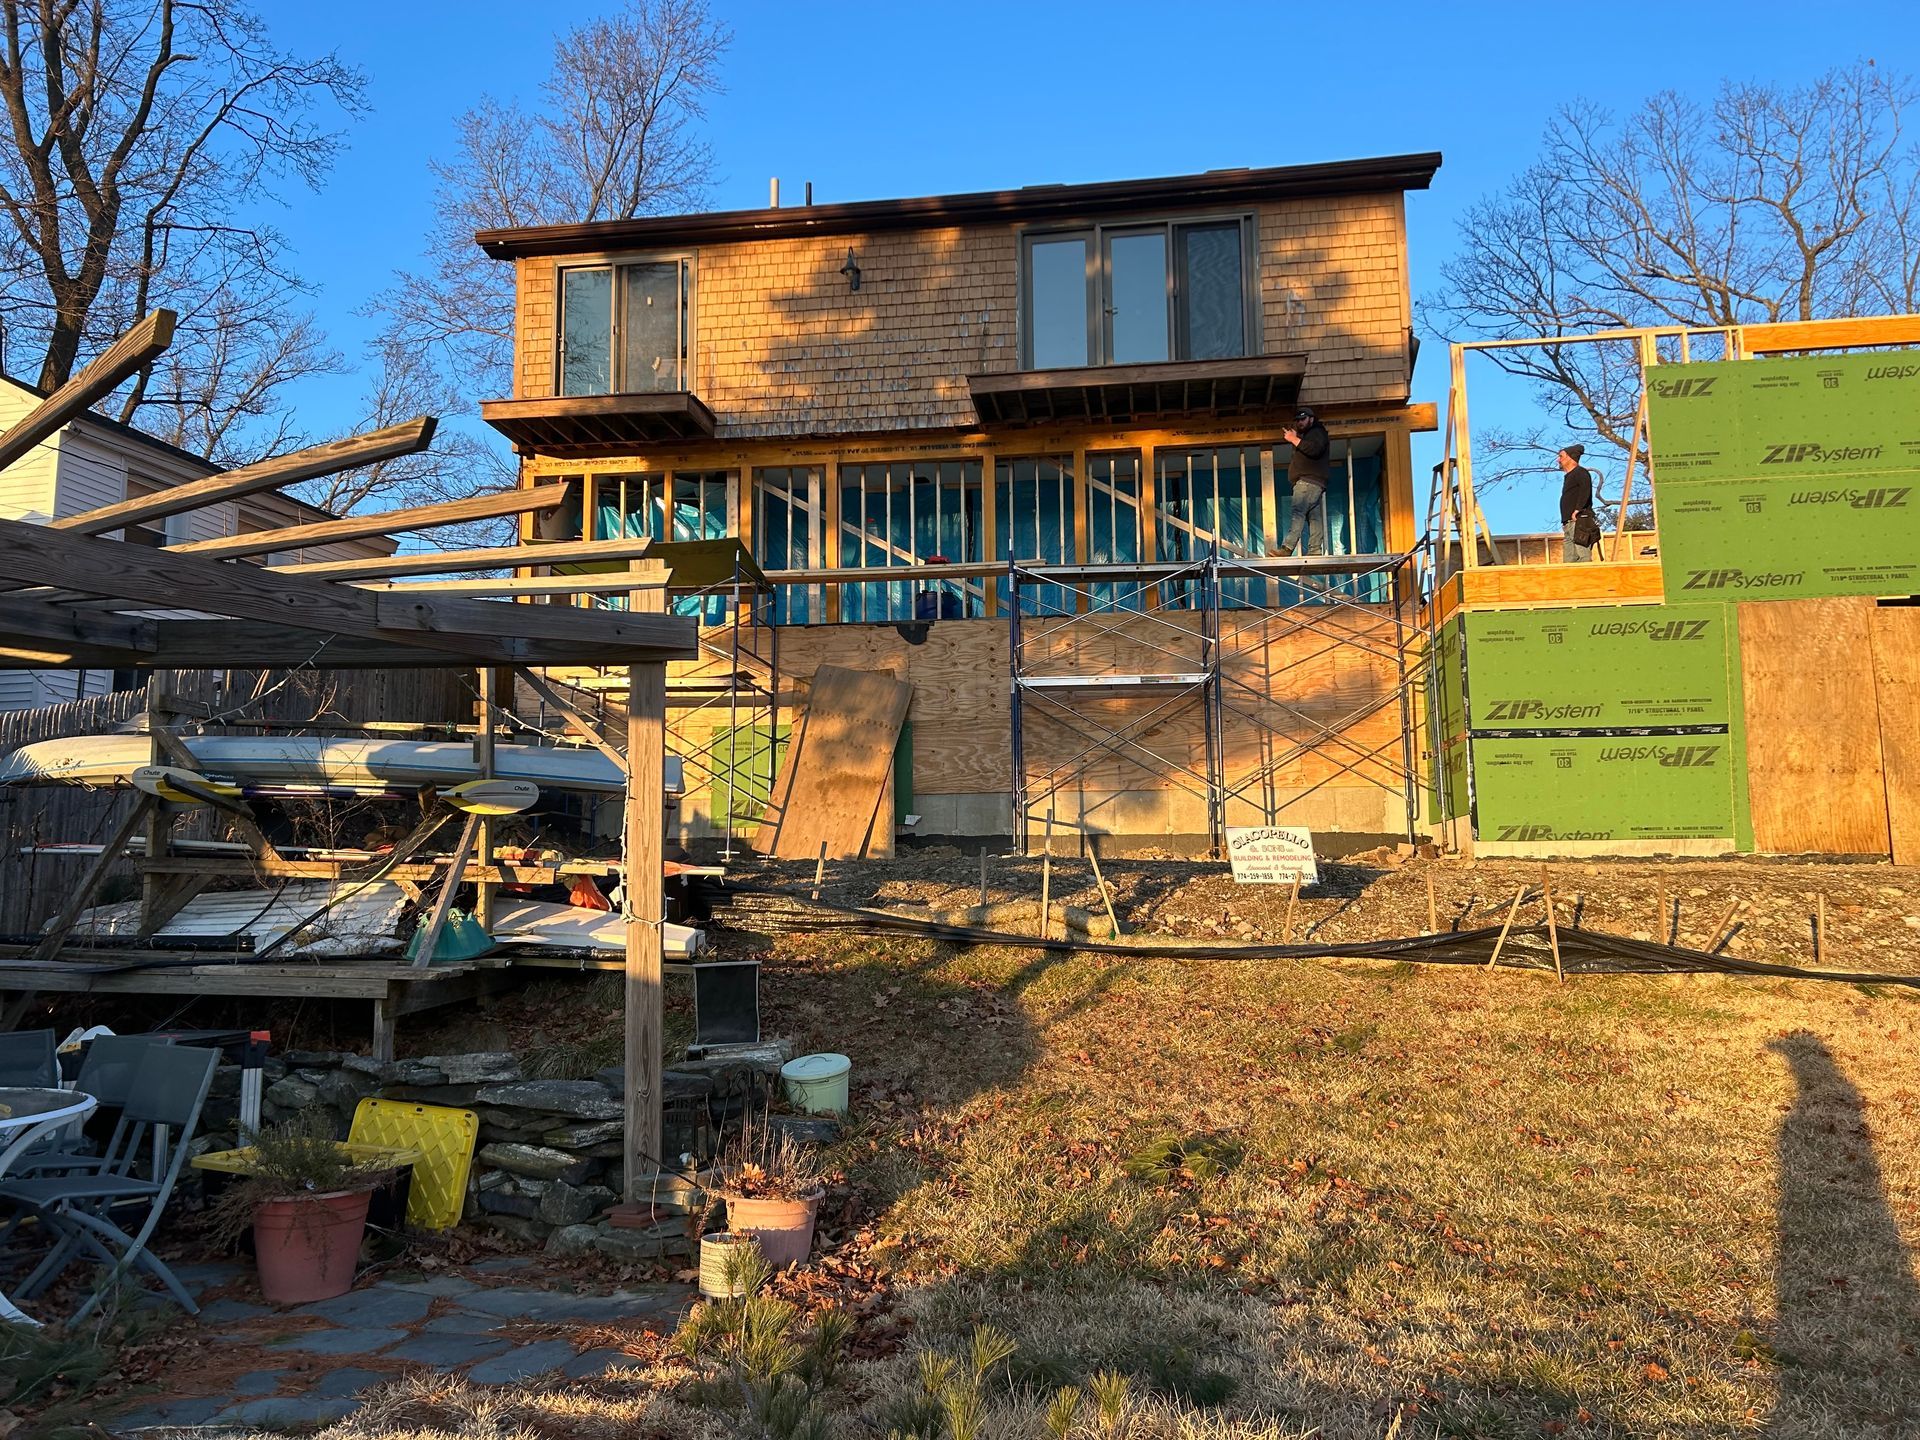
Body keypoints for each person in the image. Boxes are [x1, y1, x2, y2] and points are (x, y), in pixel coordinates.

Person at [1279, 406, 1330, 556]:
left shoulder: (1317, 432)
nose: (1300, 422)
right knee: (1314, 517)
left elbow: (1315, 449)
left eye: (1303, 419)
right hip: (1314, 482)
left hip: (1307, 481)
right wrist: (1297, 439)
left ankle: (1287, 548)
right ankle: (1315, 550)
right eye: (1298, 420)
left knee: (1298, 513)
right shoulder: (1312, 434)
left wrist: (1294, 439)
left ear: (1311, 419)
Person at [1557, 443, 1597, 563]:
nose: (1558, 460)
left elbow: (1586, 490)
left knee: (1583, 557)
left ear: (1570, 457)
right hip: (1568, 524)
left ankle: (1586, 580)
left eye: (1561, 456)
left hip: (1579, 521)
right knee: (1569, 560)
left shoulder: (1581, 473)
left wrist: (1578, 510)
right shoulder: (1569, 476)